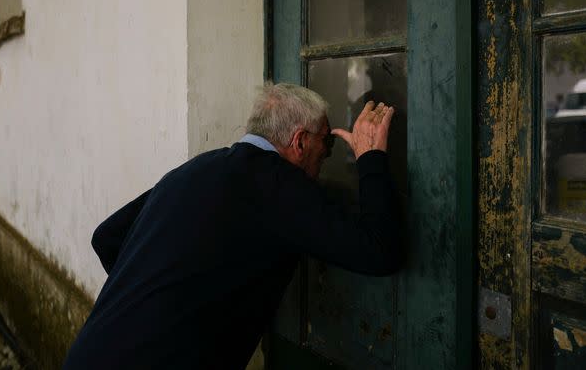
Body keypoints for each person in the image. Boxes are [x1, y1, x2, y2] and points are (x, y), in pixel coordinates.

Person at [63, 83, 404, 369]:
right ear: (300, 142)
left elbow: (106, 238)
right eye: (326, 144)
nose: (326, 157)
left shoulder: (198, 168)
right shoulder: (280, 185)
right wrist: (370, 157)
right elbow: (379, 251)